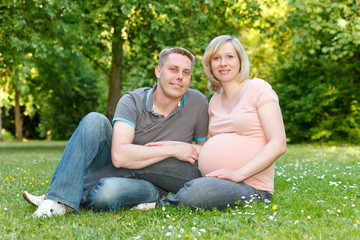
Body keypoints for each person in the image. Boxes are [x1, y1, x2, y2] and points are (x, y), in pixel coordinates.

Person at [22, 46, 209, 217]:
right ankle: (59, 198)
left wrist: (184, 150)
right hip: (113, 166)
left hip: (151, 185)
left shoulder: (198, 103)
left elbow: (205, 151)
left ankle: (60, 196)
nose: (180, 77)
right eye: (173, 69)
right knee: (95, 119)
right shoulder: (132, 101)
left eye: (186, 72)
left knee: (107, 192)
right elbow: (119, 157)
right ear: (158, 72)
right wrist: (171, 149)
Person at [135, 35, 286, 211]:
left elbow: (278, 143)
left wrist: (238, 174)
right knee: (155, 158)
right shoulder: (215, 100)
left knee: (198, 192)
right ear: (210, 65)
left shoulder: (259, 89)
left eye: (230, 57)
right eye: (216, 58)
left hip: (249, 185)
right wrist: (174, 147)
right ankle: (106, 183)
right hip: (209, 176)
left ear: (240, 61)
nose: (223, 63)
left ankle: (160, 204)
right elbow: (209, 146)